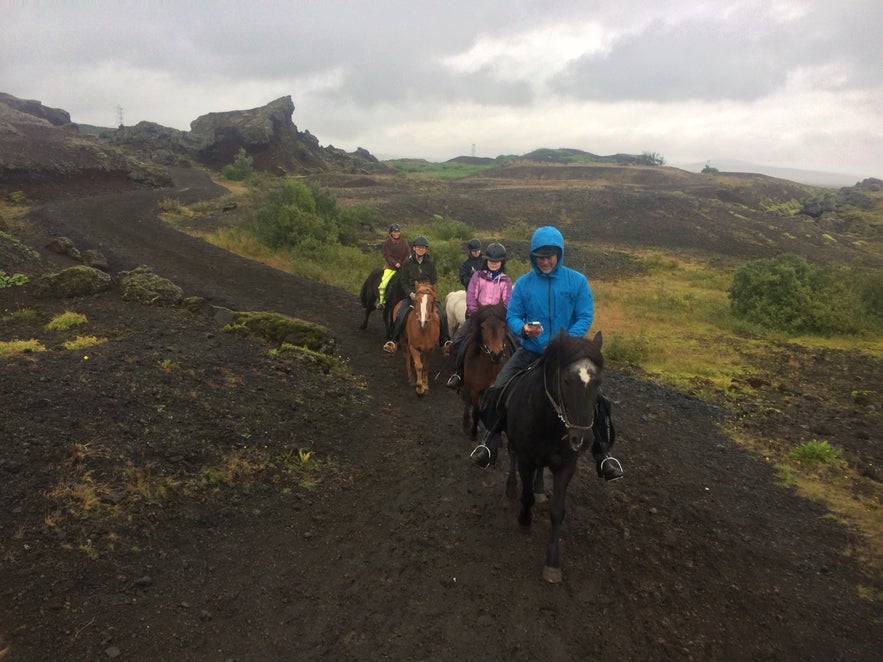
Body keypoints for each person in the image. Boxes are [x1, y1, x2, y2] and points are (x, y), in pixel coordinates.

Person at [469, 225, 623, 481]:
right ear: (533, 256)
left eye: (550, 255)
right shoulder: (524, 284)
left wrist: (567, 341)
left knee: (600, 400)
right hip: (531, 351)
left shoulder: (577, 281)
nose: (545, 261)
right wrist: (522, 329)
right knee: (498, 388)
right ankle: (490, 441)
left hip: (567, 355)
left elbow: (585, 315)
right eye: (540, 256)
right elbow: (514, 315)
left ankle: (603, 455)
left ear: (559, 254)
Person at [445, 242, 514, 389]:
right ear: (486, 260)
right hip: (478, 317)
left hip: (498, 320)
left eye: (497, 261)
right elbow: (471, 296)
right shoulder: (477, 276)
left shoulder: (506, 280)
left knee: (517, 342)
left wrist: (501, 315)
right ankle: (458, 374)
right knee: (457, 342)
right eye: (491, 261)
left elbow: (507, 301)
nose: (494, 264)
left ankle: (515, 375)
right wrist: (475, 313)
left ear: (501, 262)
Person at [382, 235, 453, 355]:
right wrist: (411, 294)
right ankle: (393, 341)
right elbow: (403, 281)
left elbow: (434, 280)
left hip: (427, 295)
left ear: (426, 249)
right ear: (414, 248)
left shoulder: (430, 263)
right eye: (419, 247)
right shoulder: (408, 263)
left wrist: (430, 293)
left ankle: (444, 342)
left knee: (441, 314)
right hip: (413, 295)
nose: (421, 249)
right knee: (400, 314)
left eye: (423, 248)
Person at [377, 223, 410, 309]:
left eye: (397, 231)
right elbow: (386, 255)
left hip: (403, 267)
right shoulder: (386, 243)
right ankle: (382, 302)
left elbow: (408, 254)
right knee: (383, 283)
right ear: (391, 233)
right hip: (390, 267)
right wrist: (395, 263)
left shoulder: (404, 242)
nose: (396, 233)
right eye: (394, 232)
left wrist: (405, 263)